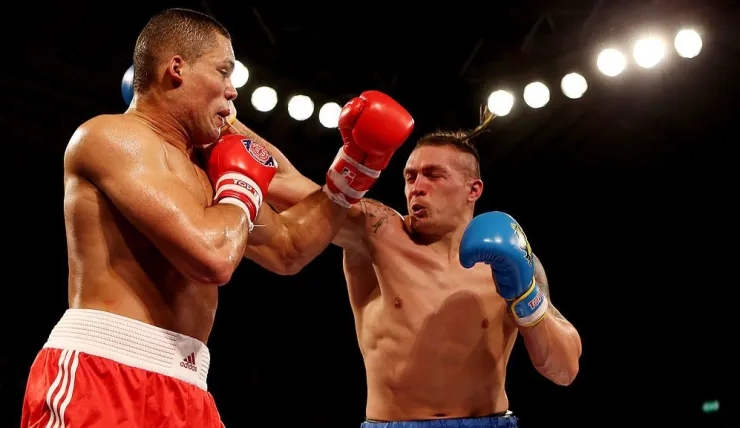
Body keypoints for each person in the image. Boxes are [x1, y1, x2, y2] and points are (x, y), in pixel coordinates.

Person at [19, 8, 414, 428]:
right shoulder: (112, 137)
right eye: (224, 72)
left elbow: (289, 249)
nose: (233, 92)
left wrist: (353, 170)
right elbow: (212, 257)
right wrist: (242, 182)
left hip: (188, 388)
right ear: (177, 68)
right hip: (104, 372)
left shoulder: (209, 173)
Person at [236, 120, 583, 427]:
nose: (417, 186)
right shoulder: (377, 231)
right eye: (410, 176)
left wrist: (525, 295)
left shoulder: (512, 258)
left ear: (472, 190)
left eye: (433, 175)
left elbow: (564, 370)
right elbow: (283, 180)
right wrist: (223, 120)